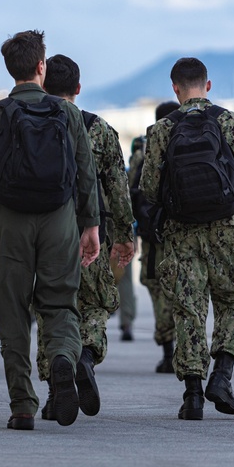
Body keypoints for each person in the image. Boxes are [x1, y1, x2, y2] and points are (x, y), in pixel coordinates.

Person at [0, 30, 101, 431]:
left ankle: (22, 405)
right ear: (42, 66)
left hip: (12, 220)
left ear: (11, 70)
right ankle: (62, 356)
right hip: (60, 218)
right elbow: (85, 174)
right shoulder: (68, 113)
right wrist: (90, 225)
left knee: (12, 309)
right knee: (60, 303)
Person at [139, 57, 234, 420]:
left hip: (181, 233)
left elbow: (149, 188)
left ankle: (192, 396)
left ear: (175, 89)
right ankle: (222, 375)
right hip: (228, 229)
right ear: (207, 86)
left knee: (188, 310)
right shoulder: (232, 123)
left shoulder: (162, 130)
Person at [33, 53, 135, 420]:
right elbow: (119, 189)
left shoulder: (31, 122)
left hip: (42, 236)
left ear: (43, 85)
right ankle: (87, 356)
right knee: (94, 305)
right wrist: (124, 235)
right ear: (78, 88)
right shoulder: (101, 130)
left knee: (51, 310)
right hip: (92, 234)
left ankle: (54, 387)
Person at [131, 100, 180, 373]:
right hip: (182, 232)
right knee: (183, 290)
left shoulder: (145, 150)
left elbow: (131, 192)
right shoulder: (186, 142)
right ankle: (186, 349)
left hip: (152, 234)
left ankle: (167, 349)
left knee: (157, 288)